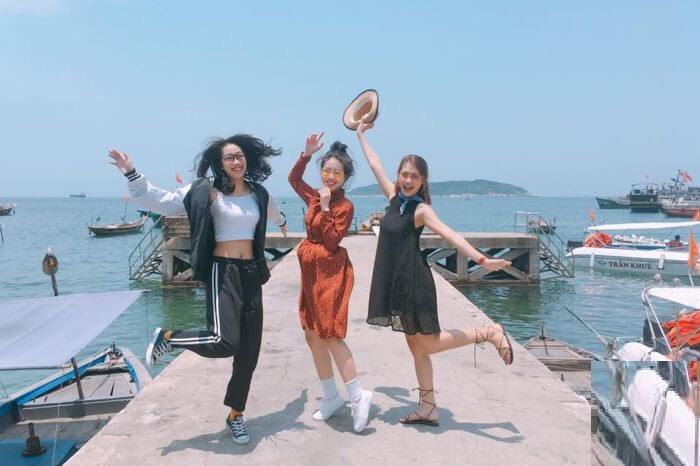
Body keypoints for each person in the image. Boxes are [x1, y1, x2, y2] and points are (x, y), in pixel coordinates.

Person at [107, 134, 287, 445]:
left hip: (251, 273)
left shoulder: (259, 193)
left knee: (249, 353)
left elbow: (275, 213)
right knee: (224, 341)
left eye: (240, 156)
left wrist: (283, 222)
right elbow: (161, 201)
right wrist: (131, 173)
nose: (236, 161)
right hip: (223, 271)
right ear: (220, 163)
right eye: (229, 157)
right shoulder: (206, 190)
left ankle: (235, 416)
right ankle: (169, 337)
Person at [355, 119, 514, 426]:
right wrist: (361, 134)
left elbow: (450, 234)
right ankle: (428, 407)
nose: (407, 180)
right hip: (397, 284)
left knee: (428, 344)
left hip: (415, 282)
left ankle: (488, 332)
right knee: (415, 346)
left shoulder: (421, 210)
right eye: (404, 174)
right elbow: (374, 164)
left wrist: (482, 259)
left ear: (423, 181)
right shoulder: (393, 199)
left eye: (414, 176)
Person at [288, 133, 372, 432]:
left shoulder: (344, 206)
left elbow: (333, 241)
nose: (331, 176)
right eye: (327, 170)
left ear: (345, 176)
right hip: (311, 273)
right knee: (312, 335)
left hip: (331, 273)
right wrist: (306, 154)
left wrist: (324, 209)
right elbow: (294, 179)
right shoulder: (313, 196)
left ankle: (358, 396)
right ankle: (331, 396)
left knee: (331, 334)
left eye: (337, 172)